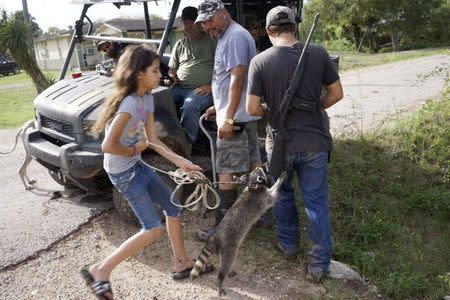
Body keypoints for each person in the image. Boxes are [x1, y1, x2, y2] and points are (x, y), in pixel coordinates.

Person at [83, 45, 203, 300]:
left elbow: (153, 140)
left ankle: (181, 262)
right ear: (139, 73)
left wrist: (182, 162)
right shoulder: (128, 104)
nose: (159, 74)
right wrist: (132, 150)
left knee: (173, 208)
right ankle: (100, 271)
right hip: (123, 173)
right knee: (152, 229)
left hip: (136, 165)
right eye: (154, 70)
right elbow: (108, 146)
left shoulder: (147, 97)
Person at [246, 6, 343, 283]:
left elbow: (252, 108)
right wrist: (313, 107)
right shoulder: (320, 52)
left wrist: (272, 110)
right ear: (296, 27)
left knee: (283, 195)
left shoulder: (260, 61)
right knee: (316, 205)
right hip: (314, 141)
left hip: (280, 144)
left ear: (268, 31)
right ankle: (318, 265)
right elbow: (336, 94)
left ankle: (288, 245)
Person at [194, 0, 261, 242]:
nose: (205, 27)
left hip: (237, 119)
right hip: (242, 114)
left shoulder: (233, 37)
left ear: (223, 13)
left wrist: (228, 118)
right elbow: (227, 81)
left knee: (225, 172)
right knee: (255, 165)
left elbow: (237, 79)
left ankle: (222, 230)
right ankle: (262, 215)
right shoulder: (228, 35)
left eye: (209, 20)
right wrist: (218, 106)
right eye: (202, 23)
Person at [166, 6, 216, 147]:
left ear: (200, 24)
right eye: (185, 23)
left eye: (192, 22)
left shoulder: (212, 42)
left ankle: (186, 145)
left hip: (202, 90)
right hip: (179, 87)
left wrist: (211, 86)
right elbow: (171, 70)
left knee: (190, 105)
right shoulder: (179, 44)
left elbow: (224, 69)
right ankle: (165, 139)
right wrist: (171, 77)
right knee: (158, 100)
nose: (188, 26)